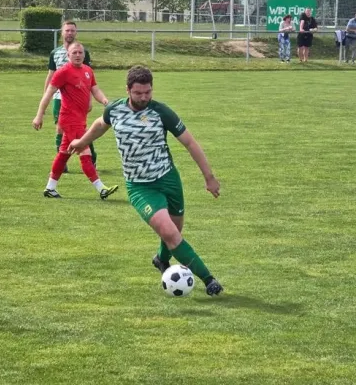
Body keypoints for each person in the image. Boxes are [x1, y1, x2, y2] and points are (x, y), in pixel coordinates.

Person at [68, 66, 224, 297]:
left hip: (168, 179)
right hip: (139, 187)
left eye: (148, 92)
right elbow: (101, 124)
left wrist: (209, 177)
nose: (144, 97)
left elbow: (190, 143)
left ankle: (161, 259)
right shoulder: (115, 109)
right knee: (171, 234)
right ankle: (209, 279)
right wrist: (83, 141)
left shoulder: (161, 112)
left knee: (174, 231)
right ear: (128, 90)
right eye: (139, 93)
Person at [33, 42, 118, 200]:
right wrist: (39, 115)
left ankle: (50, 188)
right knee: (85, 152)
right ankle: (101, 189)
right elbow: (48, 94)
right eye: (74, 53)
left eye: (80, 52)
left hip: (81, 119)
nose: (78, 55)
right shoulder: (62, 72)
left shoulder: (88, 71)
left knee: (64, 153)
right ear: (68, 55)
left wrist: (106, 101)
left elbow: (95, 90)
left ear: (84, 55)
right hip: (69, 119)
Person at [44, 21, 98, 173]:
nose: (69, 33)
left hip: (78, 96)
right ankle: (62, 162)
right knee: (60, 129)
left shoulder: (82, 52)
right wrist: (45, 96)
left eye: (72, 31)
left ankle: (91, 157)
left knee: (82, 128)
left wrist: (89, 99)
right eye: (67, 30)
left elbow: (88, 77)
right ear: (62, 32)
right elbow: (50, 75)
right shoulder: (55, 53)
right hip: (58, 96)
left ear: (76, 33)